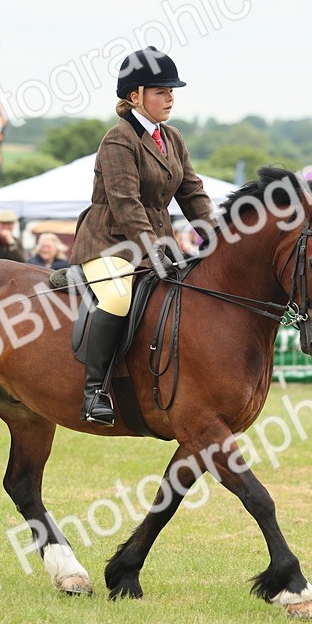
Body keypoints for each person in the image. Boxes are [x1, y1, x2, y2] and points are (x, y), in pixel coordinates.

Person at [69, 46, 217, 426]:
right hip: (109, 243)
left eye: (172, 91)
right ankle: (93, 393)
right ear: (135, 96)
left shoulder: (172, 138)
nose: (170, 98)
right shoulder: (118, 140)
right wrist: (154, 251)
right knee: (118, 298)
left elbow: (193, 194)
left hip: (155, 243)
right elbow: (126, 204)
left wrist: (220, 237)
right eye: (161, 91)